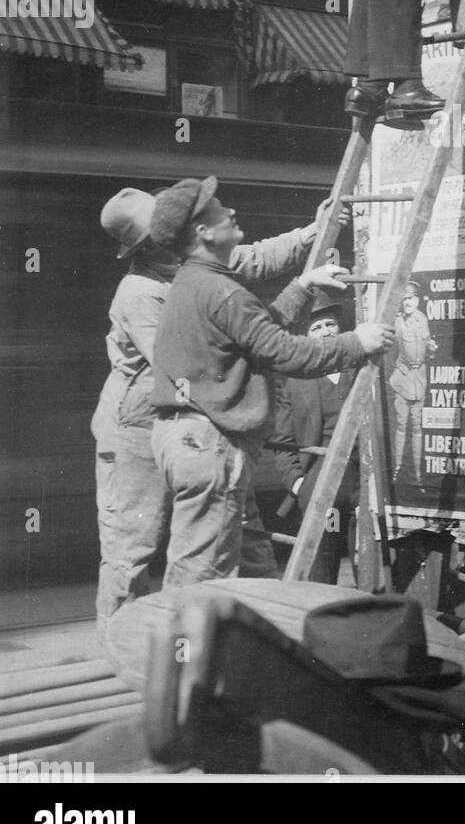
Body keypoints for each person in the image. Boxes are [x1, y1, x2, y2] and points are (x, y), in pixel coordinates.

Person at [92, 188, 340, 633]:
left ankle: (270, 634)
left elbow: (252, 257)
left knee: (244, 532)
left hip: (199, 419)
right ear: (148, 243)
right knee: (133, 546)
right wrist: (262, 335)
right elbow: (186, 367)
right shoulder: (140, 292)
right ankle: (122, 648)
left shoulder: (193, 264)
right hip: (142, 421)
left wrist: (310, 235)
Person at [149, 176, 395, 587]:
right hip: (210, 446)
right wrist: (357, 341)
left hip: (198, 441)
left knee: (255, 569)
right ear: (203, 232)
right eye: (218, 210)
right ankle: (181, 650)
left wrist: (301, 286)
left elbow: (255, 338)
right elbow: (284, 352)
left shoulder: (196, 282)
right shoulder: (219, 290)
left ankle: (256, 648)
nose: (230, 212)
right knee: (198, 576)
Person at [270, 290, 359, 585]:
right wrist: (297, 483)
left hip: (362, 477)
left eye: (330, 325)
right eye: (316, 328)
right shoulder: (294, 380)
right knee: (322, 564)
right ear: (306, 336)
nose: (325, 333)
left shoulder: (361, 367)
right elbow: (282, 441)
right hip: (319, 480)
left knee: (365, 556)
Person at [388, 280, 437, 490]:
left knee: (417, 426)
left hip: (419, 378)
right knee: (402, 423)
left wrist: (432, 349)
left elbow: (426, 349)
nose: (406, 303)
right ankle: (398, 469)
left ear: (417, 300)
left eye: (410, 298)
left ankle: (418, 475)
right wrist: (400, 367)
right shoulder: (397, 322)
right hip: (402, 378)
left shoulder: (422, 319)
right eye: (403, 299)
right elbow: (389, 351)